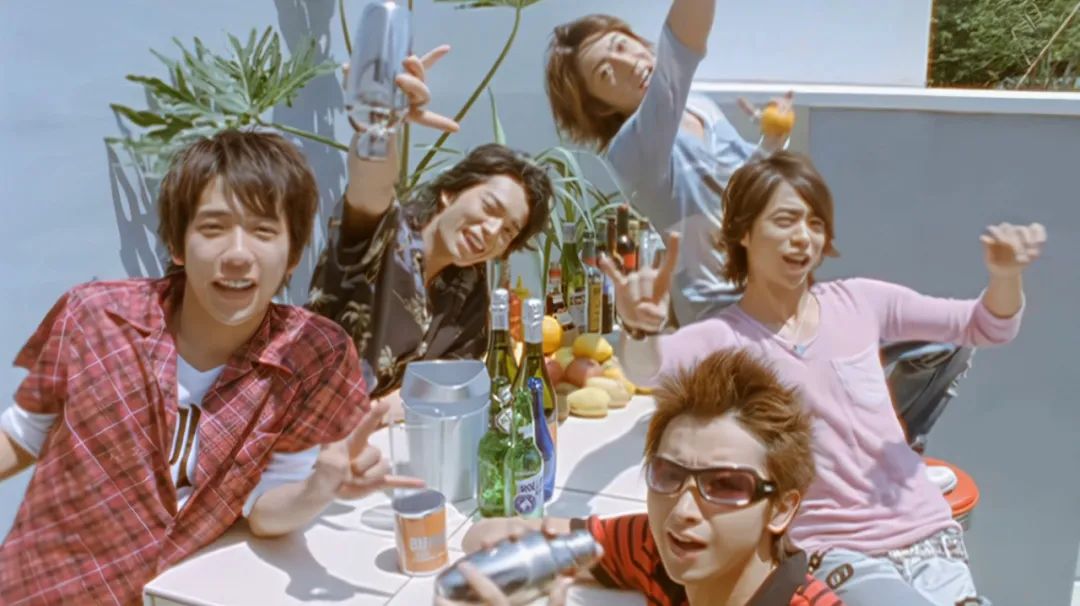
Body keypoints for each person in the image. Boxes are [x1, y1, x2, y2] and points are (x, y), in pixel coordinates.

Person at [604, 151, 1045, 605]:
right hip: (841, 556)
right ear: (743, 232)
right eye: (785, 221)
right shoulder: (723, 337)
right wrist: (639, 327)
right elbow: (646, 368)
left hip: (931, 539)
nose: (804, 237)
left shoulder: (860, 301)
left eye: (815, 223)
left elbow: (984, 325)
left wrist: (1006, 277)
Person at [0, 130, 420, 605]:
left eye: (263, 231)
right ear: (178, 244)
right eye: (214, 228)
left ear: (293, 255)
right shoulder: (95, 316)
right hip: (39, 589)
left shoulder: (312, 354)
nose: (237, 254)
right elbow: (22, 434)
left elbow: (265, 508)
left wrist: (320, 487)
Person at [544, 1, 971, 453]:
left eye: (621, 46)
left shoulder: (699, 107)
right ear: (600, 107)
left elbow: (744, 186)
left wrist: (771, 140)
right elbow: (679, 47)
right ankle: (864, 463)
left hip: (790, 304)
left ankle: (890, 457)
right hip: (734, 330)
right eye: (606, 74)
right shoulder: (633, 154)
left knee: (942, 341)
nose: (628, 64)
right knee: (808, 427)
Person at [453, 349, 844, 606]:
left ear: (781, 509)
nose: (684, 510)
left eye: (725, 485)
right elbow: (486, 538)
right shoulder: (655, 550)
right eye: (669, 475)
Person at [307, 46, 553, 408]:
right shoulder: (384, 233)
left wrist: (387, 409)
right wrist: (379, 124)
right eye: (489, 207)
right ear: (449, 194)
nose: (492, 231)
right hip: (299, 427)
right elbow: (370, 186)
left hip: (386, 435)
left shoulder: (468, 288)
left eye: (508, 231)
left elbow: (451, 382)